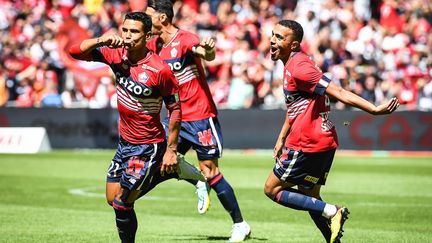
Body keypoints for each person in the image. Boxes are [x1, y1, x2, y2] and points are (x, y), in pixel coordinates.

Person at [69, 12, 205, 243]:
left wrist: (171, 149)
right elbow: (73, 52)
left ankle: (168, 164)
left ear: (147, 35)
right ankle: (171, 172)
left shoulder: (159, 70)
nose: (128, 36)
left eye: (134, 32)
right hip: (124, 143)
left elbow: (175, 109)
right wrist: (101, 39)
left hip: (148, 145)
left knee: (123, 203)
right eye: (125, 30)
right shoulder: (115, 54)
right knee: (112, 199)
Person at [264, 19, 399, 243]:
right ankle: (333, 240)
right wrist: (281, 138)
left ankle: (332, 211)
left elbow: (339, 92)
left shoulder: (300, 67)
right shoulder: (295, 63)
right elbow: (295, 106)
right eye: (273, 35)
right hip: (323, 141)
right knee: (309, 196)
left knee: (271, 189)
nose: (272, 40)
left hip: (307, 142)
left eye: (280, 37)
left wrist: (374, 109)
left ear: (294, 45)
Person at [145, 1, 251, 242]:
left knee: (210, 170)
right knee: (161, 160)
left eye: (148, 15)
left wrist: (209, 49)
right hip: (175, 118)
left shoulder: (185, 39)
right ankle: (197, 181)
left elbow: (205, 53)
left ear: (162, 18)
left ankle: (240, 224)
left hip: (200, 116)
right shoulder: (153, 44)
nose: (144, 19)